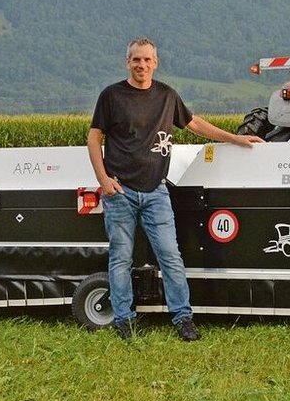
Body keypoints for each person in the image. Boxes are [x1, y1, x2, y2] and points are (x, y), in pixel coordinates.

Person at [88, 37, 263, 341]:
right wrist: (104, 180)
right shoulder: (111, 96)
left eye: (147, 59)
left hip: (156, 192)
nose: (142, 65)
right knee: (121, 258)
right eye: (136, 59)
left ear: (155, 63)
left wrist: (236, 139)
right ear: (127, 62)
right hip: (120, 192)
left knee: (170, 256)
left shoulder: (167, 96)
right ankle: (124, 320)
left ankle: (183, 318)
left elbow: (195, 124)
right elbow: (94, 138)